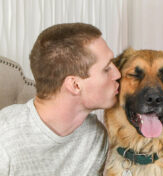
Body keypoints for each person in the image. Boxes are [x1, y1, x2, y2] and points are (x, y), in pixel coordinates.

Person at [0, 23, 121, 175]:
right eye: (106, 69)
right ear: (75, 85)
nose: (117, 74)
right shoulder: (5, 142)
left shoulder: (94, 136)